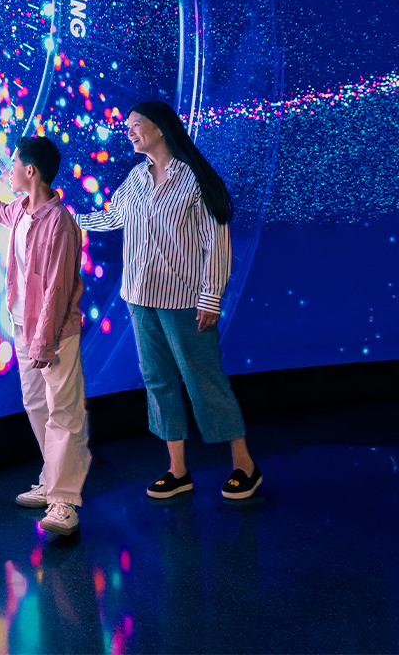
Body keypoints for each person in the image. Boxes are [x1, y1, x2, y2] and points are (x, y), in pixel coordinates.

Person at [75, 100, 261, 501]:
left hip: (184, 300)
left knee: (203, 379)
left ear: (160, 128)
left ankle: (244, 464)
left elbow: (219, 242)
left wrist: (211, 297)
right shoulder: (136, 178)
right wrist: (67, 218)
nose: (130, 131)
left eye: (136, 124)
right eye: (128, 126)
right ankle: (178, 470)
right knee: (158, 380)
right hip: (140, 298)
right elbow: (112, 219)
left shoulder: (195, 178)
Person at [0, 137, 90, 535]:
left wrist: (44, 343)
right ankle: (52, 480)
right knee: (36, 405)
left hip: (54, 335)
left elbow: (57, 290)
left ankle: (65, 503)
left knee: (63, 413)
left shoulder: (60, 222)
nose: (9, 168)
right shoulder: (21, 210)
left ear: (30, 170)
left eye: (13, 162)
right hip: (23, 328)